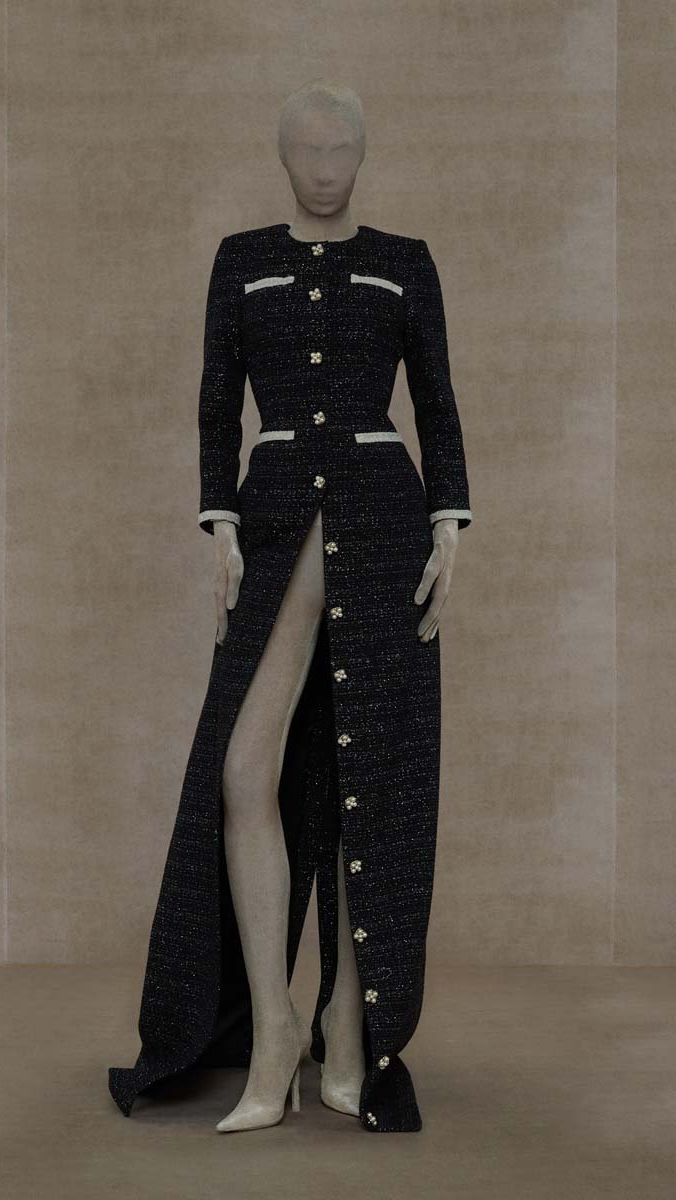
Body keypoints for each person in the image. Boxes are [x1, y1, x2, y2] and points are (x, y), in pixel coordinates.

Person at [108, 78, 472, 1134]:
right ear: (282, 158)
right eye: (308, 150)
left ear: (362, 154)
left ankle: (347, 1034)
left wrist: (450, 521)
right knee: (243, 769)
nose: (325, 167)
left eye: (341, 149)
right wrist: (218, 519)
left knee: (369, 783)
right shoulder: (241, 260)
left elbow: (437, 400)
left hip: (384, 523)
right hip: (272, 524)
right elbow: (216, 401)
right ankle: (272, 1029)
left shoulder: (404, 262)